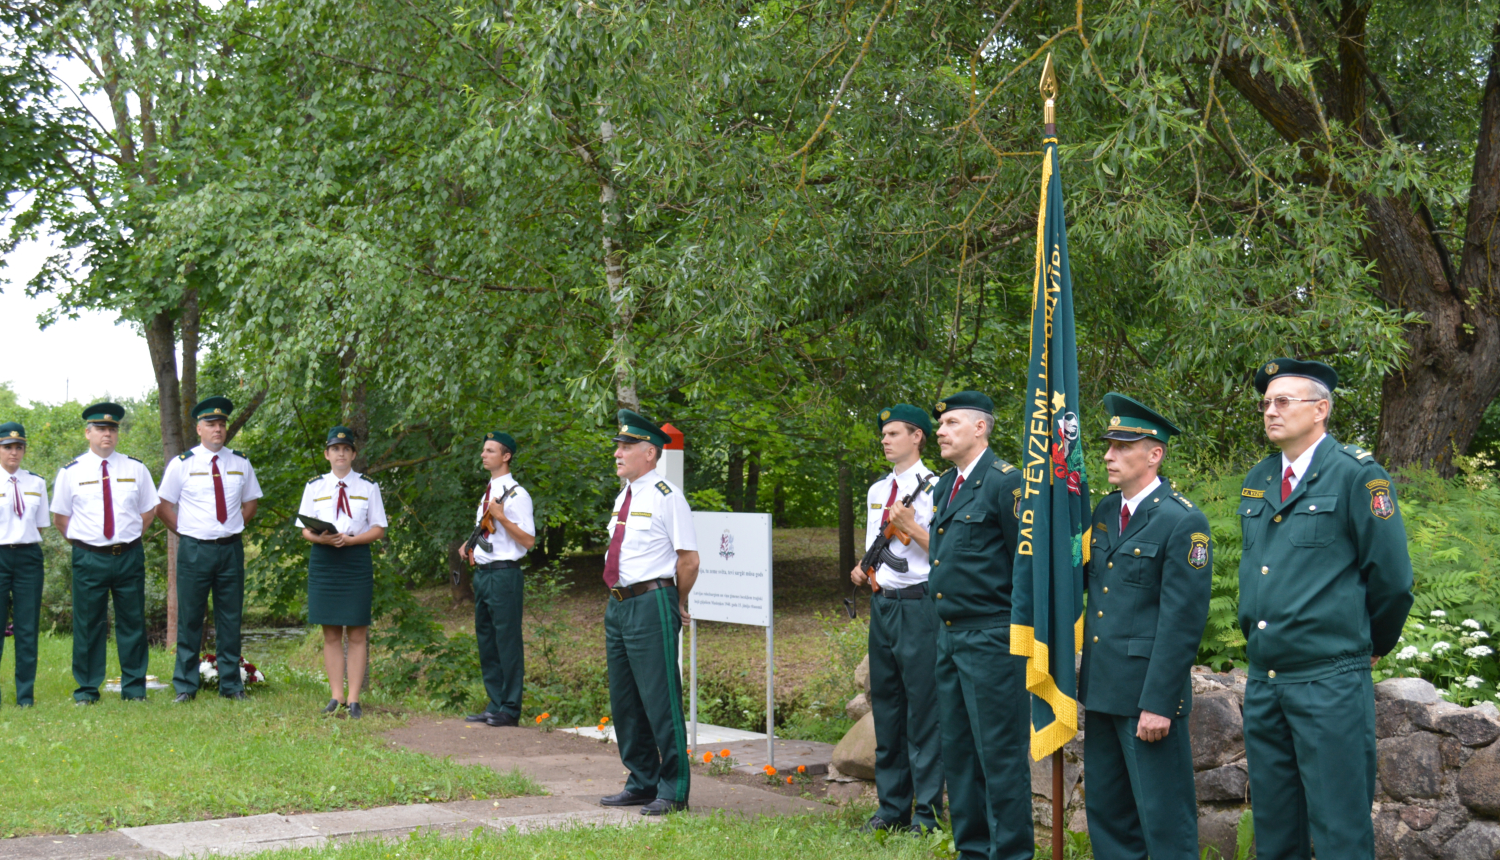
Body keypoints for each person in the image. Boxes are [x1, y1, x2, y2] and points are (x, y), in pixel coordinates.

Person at [1238, 359, 1413, 860]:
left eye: (1283, 401)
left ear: (1321, 409)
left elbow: (1393, 582)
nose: (1270, 411)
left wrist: (1366, 648)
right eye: (1266, 403)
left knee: (1339, 829)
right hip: (1267, 678)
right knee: (1274, 829)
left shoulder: (1358, 476)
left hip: (1328, 680)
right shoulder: (1260, 478)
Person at [1079, 393, 1212, 860]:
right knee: (1109, 816)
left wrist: (1159, 702)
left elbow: (1182, 620)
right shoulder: (1102, 513)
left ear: (1154, 454)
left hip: (1145, 698)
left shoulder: (1182, 520)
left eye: (1122, 446)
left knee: (1163, 817)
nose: (1108, 455)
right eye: (1108, 445)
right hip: (1102, 688)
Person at [926, 391, 1029, 860]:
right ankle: (972, 850)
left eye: (949, 423)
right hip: (949, 634)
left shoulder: (1008, 484)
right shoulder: (944, 485)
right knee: (960, 754)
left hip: (991, 636)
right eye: (940, 425)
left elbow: (1025, 566)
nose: (941, 432)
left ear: (980, 427)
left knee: (999, 756)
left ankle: (1010, 853)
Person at [597, 409, 699, 816]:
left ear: (650, 454)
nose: (618, 453)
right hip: (619, 604)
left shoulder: (666, 496)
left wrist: (677, 601)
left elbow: (688, 560)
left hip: (652, 601)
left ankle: (674, 789)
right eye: (618, 447)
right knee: (625, 701)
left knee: (661, 700)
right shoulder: (625, 495)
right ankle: (641, 781)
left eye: (626, 447)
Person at [848, 404, 943, 833]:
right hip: (882, 606)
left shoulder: (938, 488)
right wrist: (864, 569)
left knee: (923, 712)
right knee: (887, 709)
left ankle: (928, 814)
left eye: (893, 433)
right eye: (883, 434)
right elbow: (878, 545)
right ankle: (891, 809)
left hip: (920, 606)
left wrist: (911, 523)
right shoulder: (875, 491)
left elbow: (944, 552)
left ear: (917, 436)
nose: (885, 440)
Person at [156, 396, 264, 703]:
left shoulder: (241, 462)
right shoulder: (182, 464)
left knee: (230, 618)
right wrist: (188, 532)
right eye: (211, 424)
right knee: (190, 618)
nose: (218, 429)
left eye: (222, 424)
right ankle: (186, 686)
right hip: (193, 550)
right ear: (198, 429)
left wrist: (231, 527)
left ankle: (231, 685)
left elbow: (251, 502)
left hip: (230, 550)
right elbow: (163, 506)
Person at [50, 402, 160, 704]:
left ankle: (135, 689)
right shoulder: (70, 472)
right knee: (88, 624)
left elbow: (149, 510)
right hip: (89, 557)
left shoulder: (135, 469)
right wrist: (86, 544)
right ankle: (87, 690)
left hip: (128, 555)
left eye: (112, 428)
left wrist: (130, 537)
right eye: (100, 429)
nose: (107, 434)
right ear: (88, 433)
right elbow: (61, 518)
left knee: (133, 623)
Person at [296, 425, 388, 719]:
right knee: (331, 631)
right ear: (327, 454)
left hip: (355, 558)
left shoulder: (368, 486)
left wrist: (352, 540)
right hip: (324, 559)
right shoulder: (314, 486)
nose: (341, 453)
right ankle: (336, 696)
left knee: (358, 631)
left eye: (346, 449)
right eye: (335, 449)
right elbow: (304, 531)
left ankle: (354, 699)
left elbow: (379, 529)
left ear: (353, 454)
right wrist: (320, 537)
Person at [461, 430, 536, 729]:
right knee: (487, 641)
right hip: (483, 574)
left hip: (505, 575)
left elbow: (528, 541)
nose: (483, 454)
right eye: (484, 450)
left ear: (506, 456)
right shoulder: (489, 491)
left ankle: (510, 708)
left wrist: (503, 517)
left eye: (490, 450)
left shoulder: (517, 495)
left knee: (507, 641)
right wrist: (470, 546)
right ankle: (495, 702)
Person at [0, 421, 48, 707]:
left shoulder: (36, 482)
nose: (14, 453)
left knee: (27, 627)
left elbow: (41, 525)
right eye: (7, 447)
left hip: (28, 557)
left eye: (19, 447)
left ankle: (25, 695)